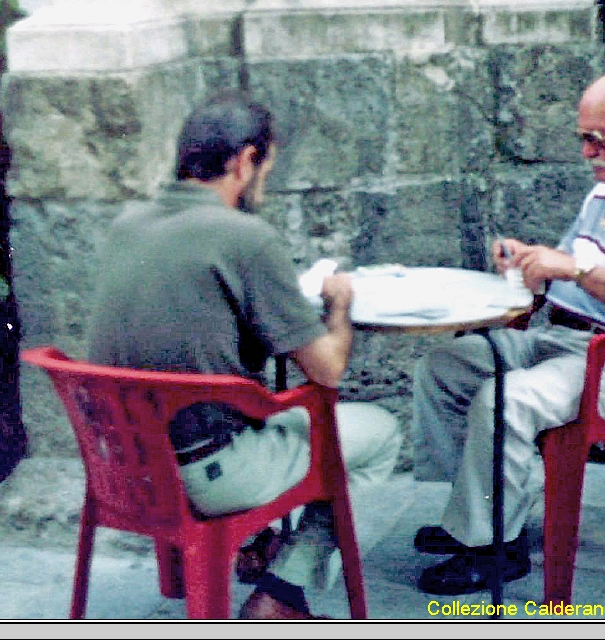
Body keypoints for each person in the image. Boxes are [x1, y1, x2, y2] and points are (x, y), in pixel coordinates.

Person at [88, 92, 402, 618]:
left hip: (123, 468)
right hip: (209, 475)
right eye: (265, 168)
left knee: (257, 409)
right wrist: (339, 303)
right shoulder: (246, 237)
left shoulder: (125, 225)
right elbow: (327, 370)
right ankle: (280, 596)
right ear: (244, 160)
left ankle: (256, 545)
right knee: (377, 435)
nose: (262, 183)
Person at [412, 72, 605, 595]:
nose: (585, 152)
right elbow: (563, 270)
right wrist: (529, 264)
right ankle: (478, 517)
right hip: (572, 342)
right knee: (443, 368)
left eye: (595, 139)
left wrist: (573, 271)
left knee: (503, 400)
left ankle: (493, 550)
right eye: (583, 138)